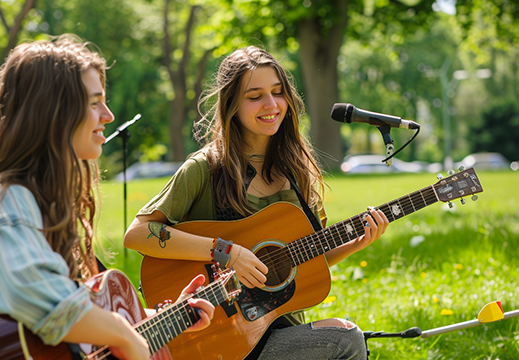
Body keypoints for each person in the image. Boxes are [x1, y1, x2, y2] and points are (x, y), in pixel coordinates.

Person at [123, 45, 389, 360]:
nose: (272, 104)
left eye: (278, 92)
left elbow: (300, 258)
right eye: (255, 96)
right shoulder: (204, 168)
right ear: (232, 104)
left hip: (273, 328)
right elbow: (138, 234)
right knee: (346, 341)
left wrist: (354, 243)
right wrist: (227, 252)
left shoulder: (297, 174)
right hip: (216, 337)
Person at [0, 34, 214, 360]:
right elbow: (53, 306)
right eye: (93, 103)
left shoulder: (44, 204)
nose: (108, 115)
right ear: (53, 112)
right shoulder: (5, 204)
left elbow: (83, 337)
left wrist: (167, 316)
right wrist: (126, 338)